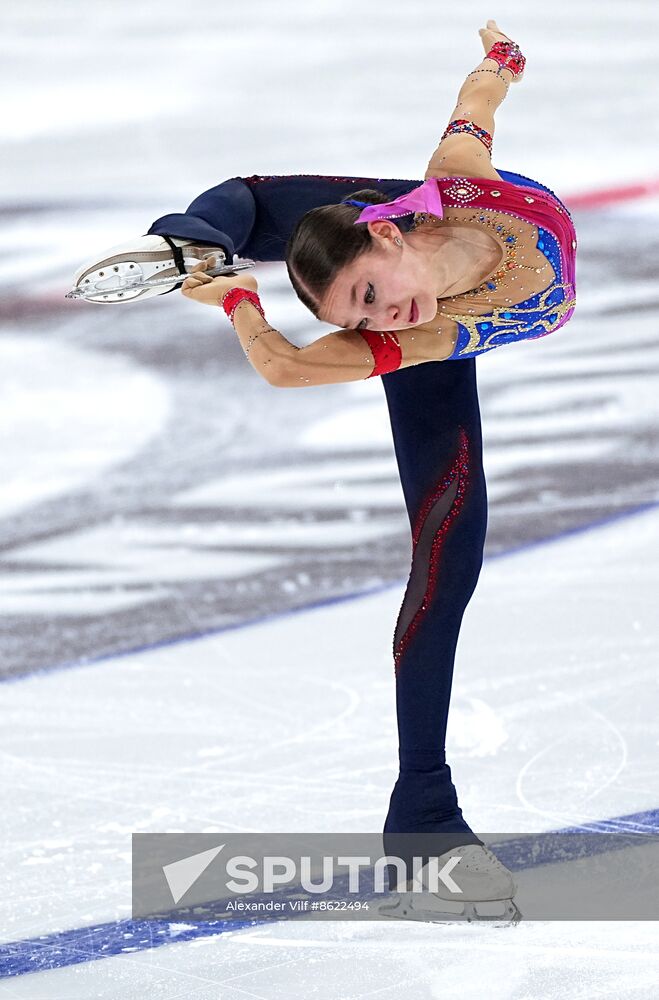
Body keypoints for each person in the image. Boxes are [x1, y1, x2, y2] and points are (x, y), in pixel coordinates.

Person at [70, 21, 576, 922]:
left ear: (396, 238)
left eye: (371, 294)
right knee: (449, 549)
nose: (380, 317)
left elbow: (477, 105)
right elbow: (286, 365)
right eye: (359, 317)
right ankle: (195, 243)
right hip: (437, 306)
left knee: (278, 206)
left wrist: (499, 63)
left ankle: (203, 240)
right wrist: (238, 298)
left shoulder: (452, 183)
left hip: (415, 221)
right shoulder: (411, 329)